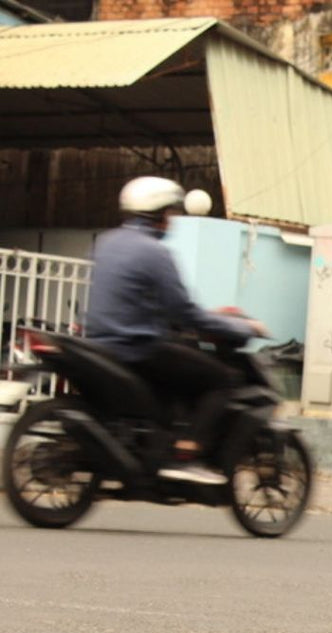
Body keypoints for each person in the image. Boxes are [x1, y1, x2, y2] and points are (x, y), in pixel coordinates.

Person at [85, 176, 267, 486]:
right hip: (138, 349)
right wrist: (240, 326)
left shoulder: (107, 242)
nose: (174, 219)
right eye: (171, 212)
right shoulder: (155, 253)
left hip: (100, 344)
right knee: (224, 379)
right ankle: (187, 453)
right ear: (159, 214)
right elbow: (185, 311)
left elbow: (136, 298)